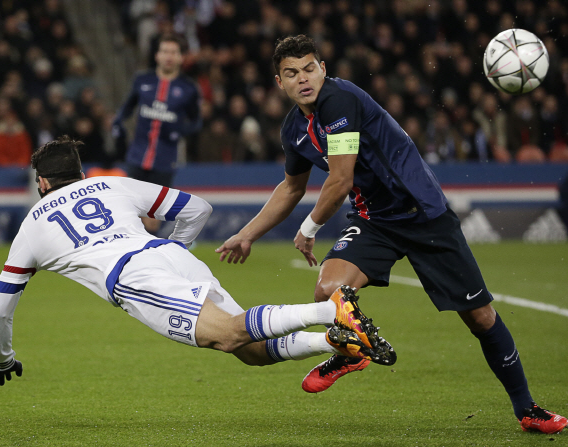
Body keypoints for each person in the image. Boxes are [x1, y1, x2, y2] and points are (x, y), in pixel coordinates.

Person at [215, 35, 567, 435]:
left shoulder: (339, 101)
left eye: (310, 68)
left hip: (423, 215)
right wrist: (247, 234)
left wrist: (309, 228)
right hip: (375, 220)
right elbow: (292, 187)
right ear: (280, 83)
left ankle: (528, 410)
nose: (304, 78)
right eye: (292, 73)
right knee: (328, 290)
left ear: (323, 69)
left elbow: (341, 177)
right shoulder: (294, 128)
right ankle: (349, 353)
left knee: (481, 318)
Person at [0, 136, 396, 390]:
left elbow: (0, 308)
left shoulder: (32, 225)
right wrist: (180, 249)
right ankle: (337, 340)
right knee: (250, 351)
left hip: (134, 278)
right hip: (165, 254)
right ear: (79, 172)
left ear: (41, 183)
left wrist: (3, 359)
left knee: (229, 335)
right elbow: (196, 208)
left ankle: (332, 309)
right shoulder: (109, 183)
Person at [111, 33, 201, 234]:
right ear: (157, 55)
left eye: (173, 52)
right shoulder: (142, 80)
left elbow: (196, 122)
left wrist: (180, 132)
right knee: (131, 211)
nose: (168, 56)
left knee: (153, 217)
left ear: (181, 57)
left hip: (165, 159)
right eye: (165, 51)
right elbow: (126, 108)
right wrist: (118, 123)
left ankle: (150, 256)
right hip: (137, 155)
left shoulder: (188, 88)